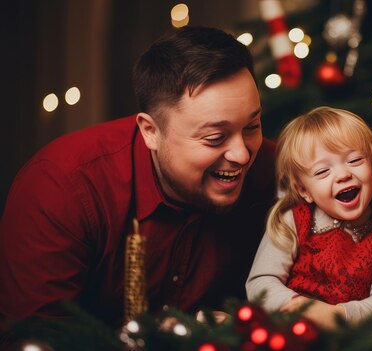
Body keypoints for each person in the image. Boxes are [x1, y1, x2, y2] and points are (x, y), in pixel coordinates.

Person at [0, 26, 276, 328]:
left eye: (252, 126)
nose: (243, 154)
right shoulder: (62, 187)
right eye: (215, 137)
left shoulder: (280, 174)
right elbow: (35, 337)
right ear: (151, 132)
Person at [246, 107, 372, 330]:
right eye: (322, 172)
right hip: (289, 332)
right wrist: (299, 308)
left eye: (355, 160)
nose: (343, 175)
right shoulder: (293, 220)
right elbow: (260, 282)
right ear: (304, 191)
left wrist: (338, 317)